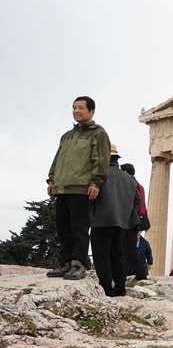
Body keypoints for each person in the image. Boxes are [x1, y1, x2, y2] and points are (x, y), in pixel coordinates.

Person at [46, 96, 111, 280]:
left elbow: (101, 160)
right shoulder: (67, 136)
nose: (76, 111)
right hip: (62, 187)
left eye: (81, 108)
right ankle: (65, 262)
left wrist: (96, 183)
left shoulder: (98, 133)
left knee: (79, 229)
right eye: (74, 108)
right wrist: (52, 180)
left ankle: (79, 263)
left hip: (81, 188)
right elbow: (57, 159)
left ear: (92, 111)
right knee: (63, 229)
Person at [89, 144, 140, 297]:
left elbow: (90, 197)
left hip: (101, 220)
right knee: (118, 255)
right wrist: (124, 213)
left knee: (101, 256)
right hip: (121, 223)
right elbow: (137, 201)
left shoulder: (99, 176)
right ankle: (120, 288)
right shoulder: (129, 180)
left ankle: (106, 288)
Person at [118, 161, 147, 280]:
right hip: (134, 220)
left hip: (129, 220)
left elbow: (137, 203)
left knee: (128, 248)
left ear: (125, 172)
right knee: (128, 248)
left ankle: (139, 274)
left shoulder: (130, 184)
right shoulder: (138, 185)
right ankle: (132, 273)